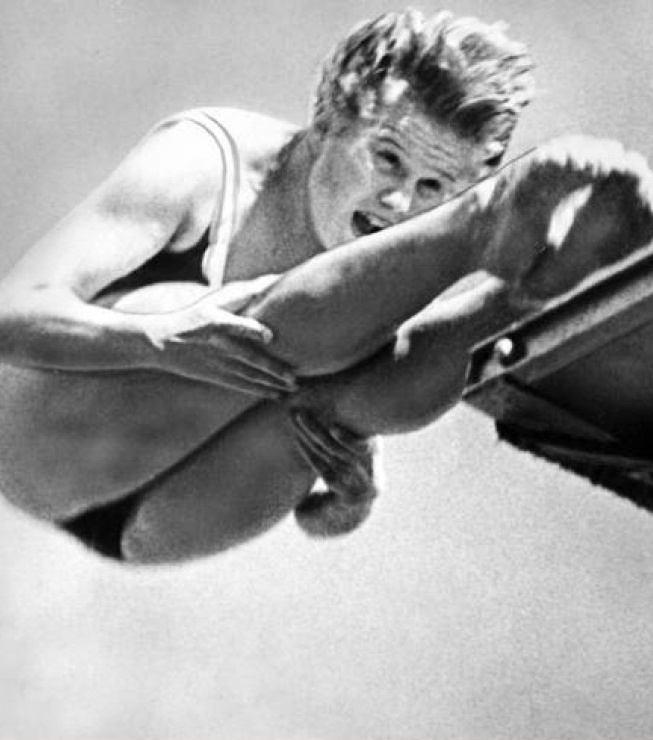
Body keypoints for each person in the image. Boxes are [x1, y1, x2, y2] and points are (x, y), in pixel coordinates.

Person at [0, 11, 650, 563]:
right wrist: (157, 338)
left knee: (350, 402)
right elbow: (12, 316)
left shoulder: (388, 262)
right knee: (245, 325)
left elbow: (322, 514)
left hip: (154, 529)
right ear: (327, 122)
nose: (397, 203)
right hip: (37, 445)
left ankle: (523, 292)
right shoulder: (202, 157)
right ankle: (481, 224)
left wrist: (350, 500)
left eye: (432, 187)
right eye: (387, 159)